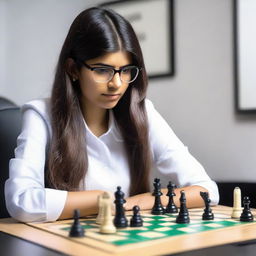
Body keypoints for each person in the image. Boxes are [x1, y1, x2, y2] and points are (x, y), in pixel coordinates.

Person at [5, 7, 219, 223]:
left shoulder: (144, 113)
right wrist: (102, 198)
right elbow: (21, 201)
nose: (116, 83)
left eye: (126, 70)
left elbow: (207, 190)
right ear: (73, 69)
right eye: (102, 70)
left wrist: (133, 203)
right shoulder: (41, 115)